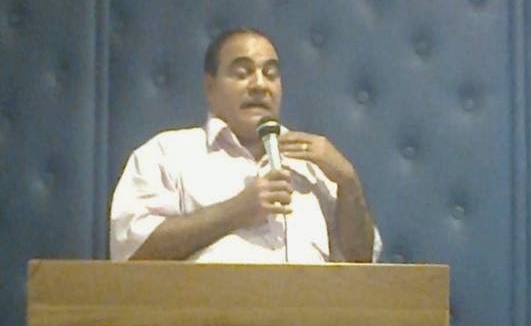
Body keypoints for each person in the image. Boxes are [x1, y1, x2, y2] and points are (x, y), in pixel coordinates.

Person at [110, 28, 382, 263]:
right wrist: (236, 211)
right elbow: (131, 249)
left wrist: (349, 182)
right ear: (210, 88)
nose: (260, 85)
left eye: (270, 74)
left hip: (311, 307)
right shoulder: (167, 154)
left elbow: (362, 262)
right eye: (243, 73)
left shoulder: (313, 164)